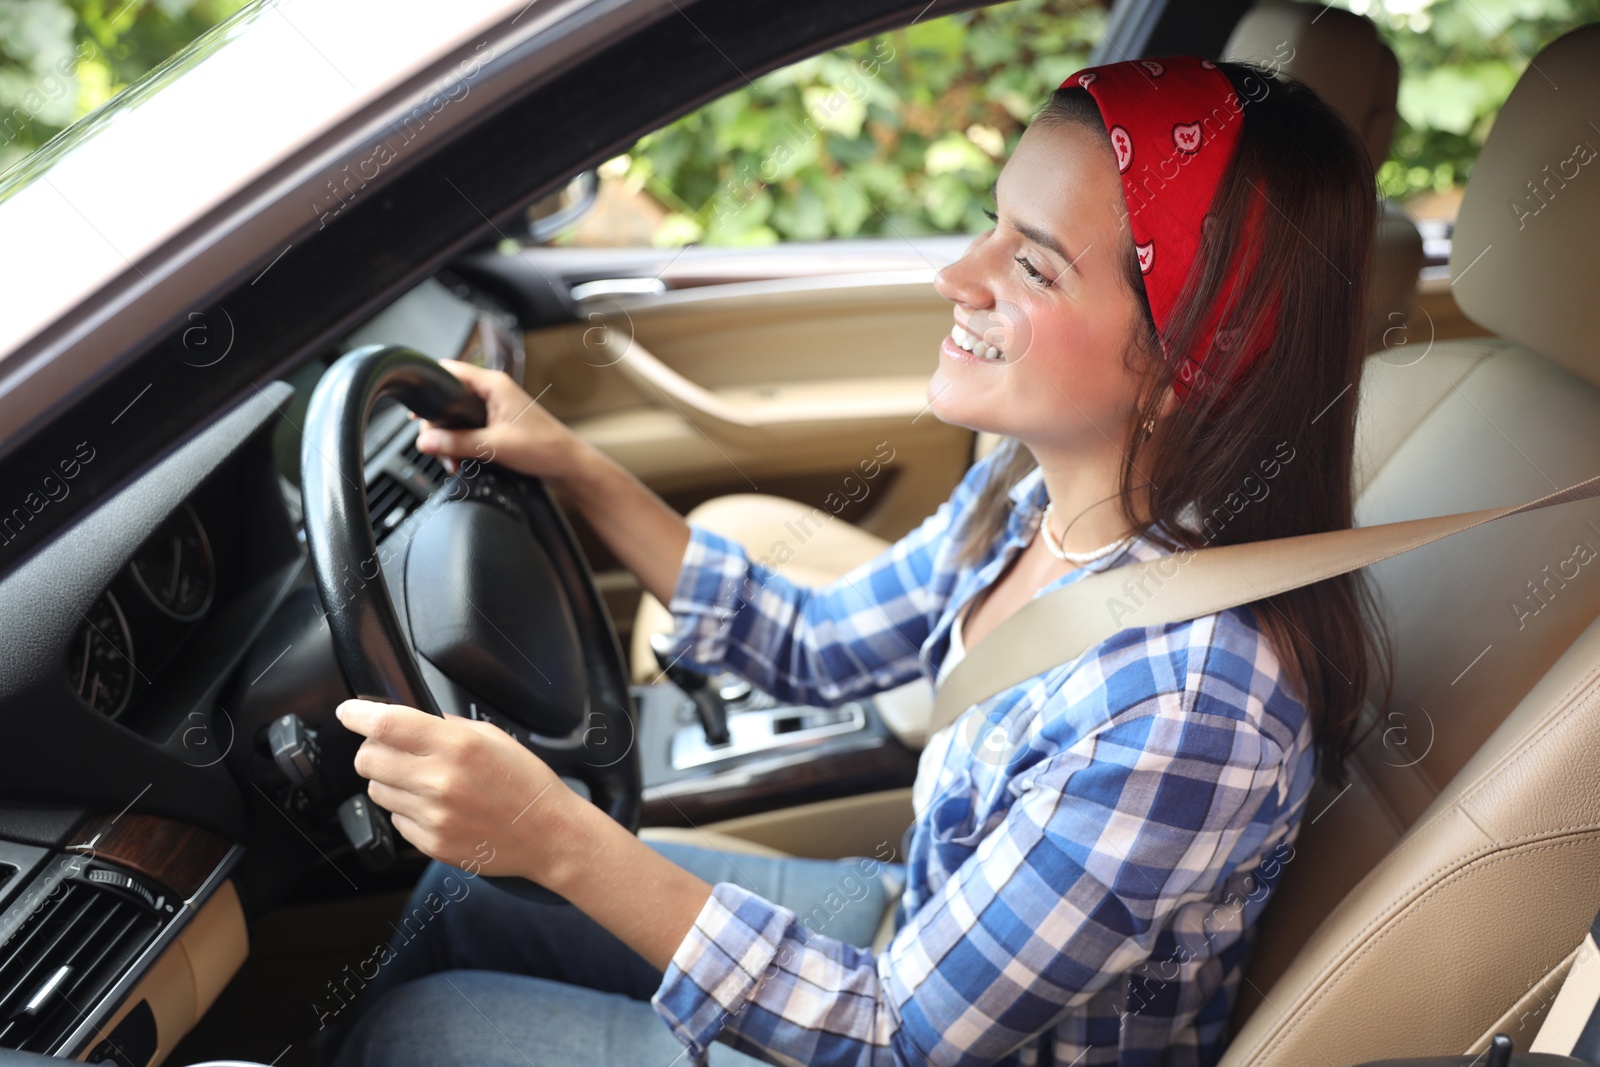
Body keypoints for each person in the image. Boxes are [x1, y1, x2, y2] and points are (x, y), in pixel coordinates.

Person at [316, 54, 1391, 1067]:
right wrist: (572, 464)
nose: (953, 275)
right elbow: (808, 643)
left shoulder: (1186, 708)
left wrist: (553, 832)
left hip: (908, 1016)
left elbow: (894, 1034)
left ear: (1178, 362)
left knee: (424, 1028)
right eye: (990, 225)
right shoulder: (1025, 498)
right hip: (914, 925)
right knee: (456, 897)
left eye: (1029, 262)